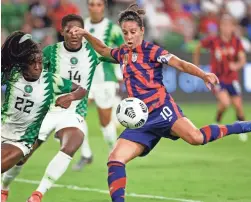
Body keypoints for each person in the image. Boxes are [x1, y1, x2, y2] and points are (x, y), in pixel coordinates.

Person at [69, 4, 251, 202]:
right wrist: (86, 33)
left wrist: (203, 74)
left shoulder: (152, 50)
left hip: (163, 111)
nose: (128, 37)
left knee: (197, 138)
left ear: (142, 31)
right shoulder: (123, 53)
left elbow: (180, 63)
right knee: (115, 159)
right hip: (140, 120)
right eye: (125, 33)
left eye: (132, 32)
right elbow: (104, 50)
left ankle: (243, 126)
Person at [1, 15, 99, 202]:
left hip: (70, 112)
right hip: (42, 113)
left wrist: (69, 97)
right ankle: (4, 188)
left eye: (78, 30)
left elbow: (83, 88)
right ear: (62, 32)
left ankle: (38, 195)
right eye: (69, 29)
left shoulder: (92, 53)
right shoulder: (47, 53)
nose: (74, 33)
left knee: (73, 141)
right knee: (20, 160)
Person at [72, 0, 124, 171]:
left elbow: (124, 51)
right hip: (84, 80)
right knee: (76, 116)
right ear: (88, 7)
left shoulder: (113, 29)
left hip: (105, 79)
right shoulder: (81, 27)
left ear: (103, 7)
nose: (95, 8)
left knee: (105, 122)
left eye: (99, 4)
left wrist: (121, 73)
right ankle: (86, 154)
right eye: (92, 4)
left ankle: (114, 154)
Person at [194, 14, 248, 142]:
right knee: (225, 103)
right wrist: (196, 65)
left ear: (233, 27)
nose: (226, 28)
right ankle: (217, 121)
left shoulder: (237, 41)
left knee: (238, 106)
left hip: (232, 79)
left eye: (229, 25)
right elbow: (198, 47)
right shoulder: (213, 40)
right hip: (217, 78)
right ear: (220, 27)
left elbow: (242, 59)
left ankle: (241, 130)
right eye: (224, 25)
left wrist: (236, 64)